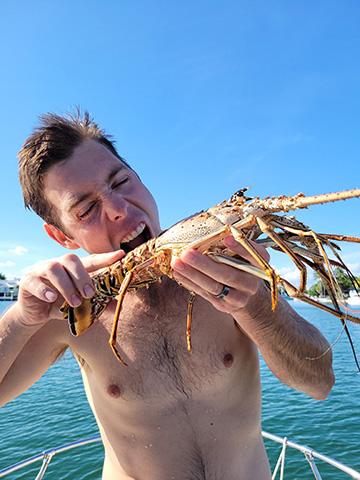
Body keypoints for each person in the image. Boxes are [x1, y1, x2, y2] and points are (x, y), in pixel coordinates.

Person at [0, 110, 334, 480]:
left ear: (141, 179)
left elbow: (319, 383)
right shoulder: (73, 310)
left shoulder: (233, 267)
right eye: (86, 208)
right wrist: (20, 318)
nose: (119, 208)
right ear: (62, 237)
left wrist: (253, 303)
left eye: (122, 181)